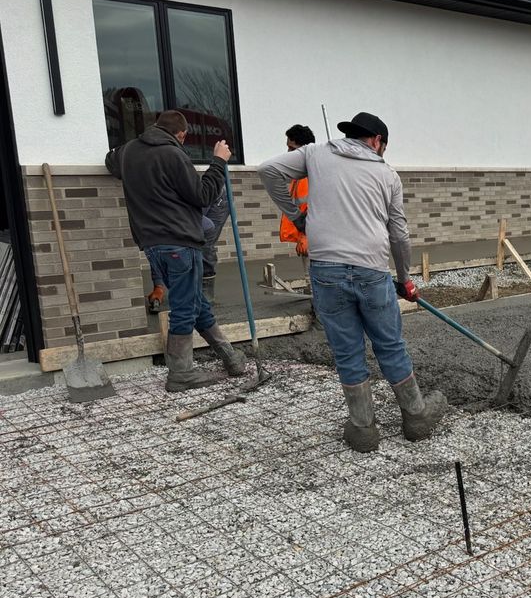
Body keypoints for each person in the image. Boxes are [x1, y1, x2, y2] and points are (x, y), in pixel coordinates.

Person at [258, 111, 447, 451]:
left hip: (326, 271)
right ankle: (416, 417)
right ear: (377, 141)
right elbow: (399, 235)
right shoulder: (386, 174)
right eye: (383, 146)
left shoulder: (314, 153)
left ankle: (363, 430)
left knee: (347, 351)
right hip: (371, 270)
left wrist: (297, 216)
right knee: (389, 344)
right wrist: (405, 279)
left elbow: (267, 171)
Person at [106, 110, 248, 390]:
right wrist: (218, 161)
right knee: (185, 307)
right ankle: (181, 373)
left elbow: (111, 160)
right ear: (181, 134)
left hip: (152, 244)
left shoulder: (130, 151)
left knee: (195, 301)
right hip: (179, 242)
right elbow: (203, 195)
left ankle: (230, 357)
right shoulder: (173, 154)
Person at [279, 124, 315, 257]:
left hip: (312, 240)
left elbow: (314, 208)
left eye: (292, 148)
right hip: (307, 238)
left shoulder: (311, 175)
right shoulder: (299, 173)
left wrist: (306, 236)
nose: (288, 153)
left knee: (313, 276)